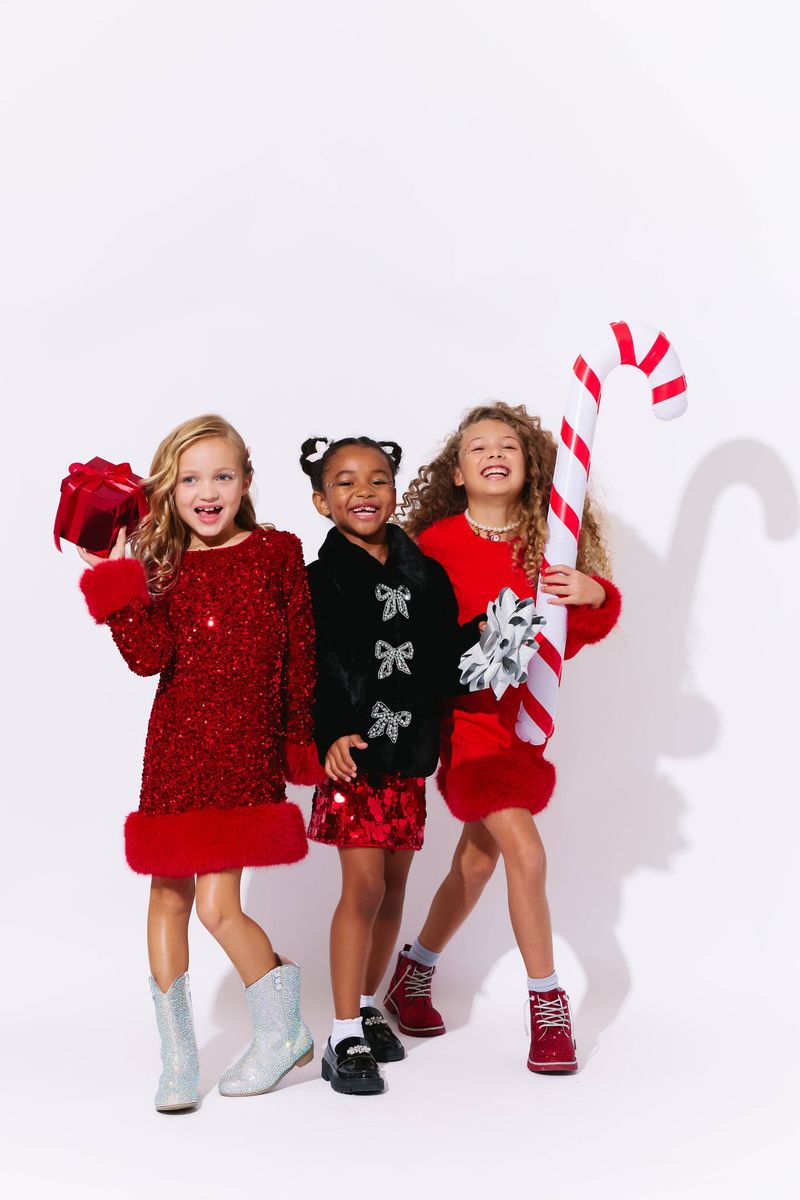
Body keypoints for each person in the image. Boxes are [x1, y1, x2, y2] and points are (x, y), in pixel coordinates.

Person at [76, 414, 320, 1110]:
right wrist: (115, 579)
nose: (206, 492)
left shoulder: (277, 553)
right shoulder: (162, 565)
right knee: (168, 896)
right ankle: (179, 1059)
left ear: (246, 481)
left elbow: (301, 655)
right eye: (189, 479)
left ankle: (282, 1032)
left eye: (221, 476)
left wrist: (298, 740)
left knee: (218, 907)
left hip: (245, 753)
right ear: (168, 489)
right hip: (177, 750)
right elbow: (148, 658)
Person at [385, 402, 621, 1074]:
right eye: (478, 446)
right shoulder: (434, 547)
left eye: (508, 445)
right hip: (467, 726)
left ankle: (413, 973)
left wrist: (592, 596)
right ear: (457, 473)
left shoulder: (550, 543)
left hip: (522, 729)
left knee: (476, 863)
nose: (494, 453)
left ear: (531, 465)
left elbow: (570, 638)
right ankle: (548, 1006)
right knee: (527, 853)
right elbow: (408, 641)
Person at [300, 435, 483, 1095]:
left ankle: (367, 1002)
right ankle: (342, 1032)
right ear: (321, 501)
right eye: (345, 481)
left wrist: (490, 637)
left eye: (378, 479)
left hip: (407, 758)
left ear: (395, 490)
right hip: (354, 762)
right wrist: (328, 735)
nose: (364, 492)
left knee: (395, 887)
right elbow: (309, 670)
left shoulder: (424, 575)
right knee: (364, 888)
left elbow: (441, 663)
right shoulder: (317, 581)